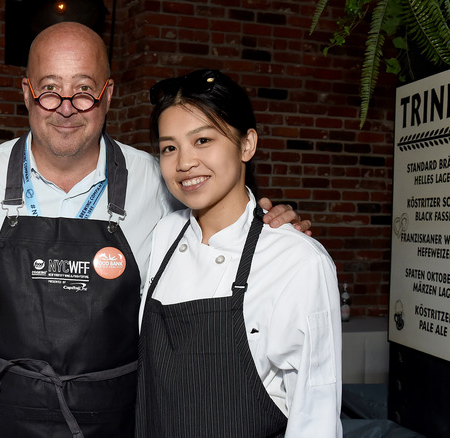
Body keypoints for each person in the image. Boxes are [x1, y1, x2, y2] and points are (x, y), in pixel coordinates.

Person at [0, 22, 311, 438]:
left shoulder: (162, 184)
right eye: (49, 89)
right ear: (26, 92)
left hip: (116, 422)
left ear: (108, 94)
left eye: (84, 89)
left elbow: (223, 219)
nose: (66, 107)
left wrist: (267, 228)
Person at [135, 69, 342, 437]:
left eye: (202, 140)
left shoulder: (297, 261)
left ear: (247, 145)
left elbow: (316, 416)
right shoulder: (163, 235)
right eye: (169, 147)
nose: (184, 162)